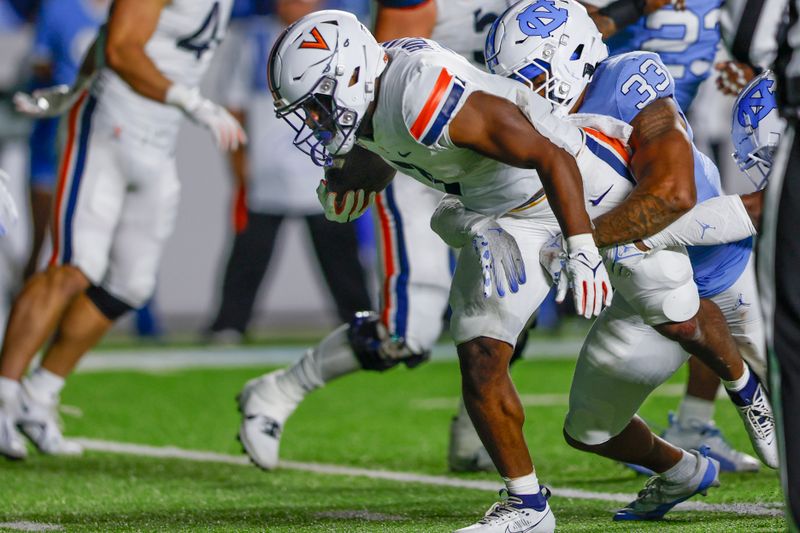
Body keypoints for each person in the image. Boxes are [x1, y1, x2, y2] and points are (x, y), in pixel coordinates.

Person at [265, 8, 630, 531]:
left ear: (348, 75)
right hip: (498, 214)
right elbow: (382, 143)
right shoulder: (371, 97)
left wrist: (583, 245)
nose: (316, 122)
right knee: (480, 352)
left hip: (572, 191)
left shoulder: (423, 96)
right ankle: (528, 506)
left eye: (319, 106)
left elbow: (552, 156)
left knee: (673, 313)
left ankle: (721, 422)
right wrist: (356, 179)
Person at [460, 0, 777, 523]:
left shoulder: (630, 79)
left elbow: (672, 195)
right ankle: (684, 469)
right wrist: (482, 225)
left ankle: (745, 388)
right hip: (637, 287)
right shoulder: (519, 118)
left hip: (718, 266)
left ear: (573, 56)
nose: (524, 95)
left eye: (532, 79)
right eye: (511, 83)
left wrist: (576, 242)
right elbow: (463, 201)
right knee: (589, 428)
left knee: (780, 421)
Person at [237, 0, 521, 475]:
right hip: (414, 148)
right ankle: (279, 390)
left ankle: (474, 434)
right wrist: (367, 161)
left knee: (517, 296)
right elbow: (379, 87)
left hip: (493, 151)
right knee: (405, 332)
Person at [0, 0, 245, 460]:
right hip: (108, 130)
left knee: (131, 285)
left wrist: (75, 85)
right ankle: (3, 395)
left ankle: (39, 395)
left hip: (159, 141)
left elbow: (109, 36)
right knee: (72, 266)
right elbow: (120, 47)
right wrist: (194, 102)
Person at [205, 0, 372, 343]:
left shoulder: (343, 36)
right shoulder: (251, 39)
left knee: (343, 262)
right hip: (267, 174)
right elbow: (233, 107)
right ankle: (230, 323)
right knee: (248, 257)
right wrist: (240, 169)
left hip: (326, 170)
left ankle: (361, 322)